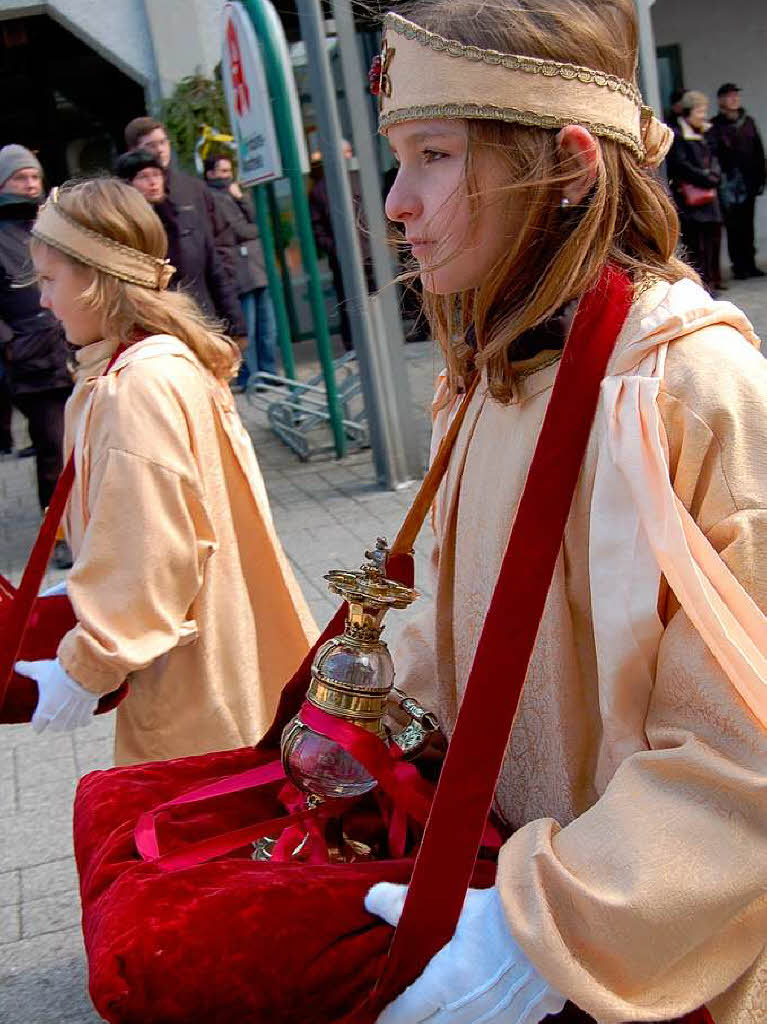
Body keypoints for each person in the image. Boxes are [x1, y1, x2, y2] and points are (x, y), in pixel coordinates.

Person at [361, 3, 766, 1023]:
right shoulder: (489, 373)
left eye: (434, 156)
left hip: (659, 967)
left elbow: (744, 744)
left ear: (571, 163)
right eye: (396, 159)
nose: (396, 203)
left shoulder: (689, 383)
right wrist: (383, 711)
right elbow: (470, 614)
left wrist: (541, 938)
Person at [15, 178, 317, 766]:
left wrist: (86, 667)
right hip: (227, 652)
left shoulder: (136, 386)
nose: (43, 301)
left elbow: (151, 551)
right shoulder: (165, 361)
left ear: (98, 279)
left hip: (194, 683)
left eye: (50, 280)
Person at [0, 144, 73, 568]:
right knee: (54, 450)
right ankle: (58, 536)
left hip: (73, 349)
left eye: (34, 177)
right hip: (31, 360)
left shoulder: (56, 224)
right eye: (19, 178)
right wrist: (9, 342)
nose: (29, 184)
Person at [122, 118, 246, 337]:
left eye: (163, 142)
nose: (159, 150)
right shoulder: (125, 214)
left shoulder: (193, 189)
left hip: (205, 307)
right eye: (150, 145)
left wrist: (229, 310)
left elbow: (220, 244)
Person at [203, 154, 278, 388]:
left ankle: (268, 373)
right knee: (249, 330)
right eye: (222, 171)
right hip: (239, 272)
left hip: (257, 269)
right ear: (210, 174)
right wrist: (256, 229)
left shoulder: (235, 194)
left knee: (268, 328)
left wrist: (242, 199)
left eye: (229, 171)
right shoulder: (213, 197)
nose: (227, 176)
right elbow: (241, 230)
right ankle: (250, 377)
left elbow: (260, 224)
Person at [309, 140, 375, 352]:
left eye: (349, 152)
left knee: (374, 297)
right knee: (349, 301)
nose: (348, 156)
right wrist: (336, 249)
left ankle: (377, 337)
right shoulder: (320, 189)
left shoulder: (359, 179)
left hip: (368, 253)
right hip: (342, 259)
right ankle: (353, 344)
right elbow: (316, 228)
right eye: (343, 152)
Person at [667, 91, 724, 294]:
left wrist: (714, 176)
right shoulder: (678, 135)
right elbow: (681, 165)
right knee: (697, 244)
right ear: (688, 111)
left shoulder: (706, 133)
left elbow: (716, 158)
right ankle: (701, 285)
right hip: (691, 200)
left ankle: (713, 280)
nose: (703, 115)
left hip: (710, 197)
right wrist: (706, 177)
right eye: (700, 110)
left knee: (713, 240)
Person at [708, 83, 766, 279]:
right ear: (721, 100)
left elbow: (758, 151)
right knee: (733, 226)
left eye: (736, 96)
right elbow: (712, 154)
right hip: (727, 186)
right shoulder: (715, 125)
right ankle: (738, 265)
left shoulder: (748, 122)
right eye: (730, 96)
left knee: (748, 224)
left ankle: (750, 263)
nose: (734, 99)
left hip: (748, 182)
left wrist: (760, 178)